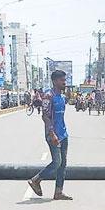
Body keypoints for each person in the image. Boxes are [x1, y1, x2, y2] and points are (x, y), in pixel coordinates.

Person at [28, 69, 73, 200]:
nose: (64, 82)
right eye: (62, 80)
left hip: (64, 134)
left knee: (63, 164)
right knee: (57, 162)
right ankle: (36, 179)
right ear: (55, 81)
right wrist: (52, 133)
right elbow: (45, 116)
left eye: (65, 80)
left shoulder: (62, 96)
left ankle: (58, 191)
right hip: (53, 134)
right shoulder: (49, 96)